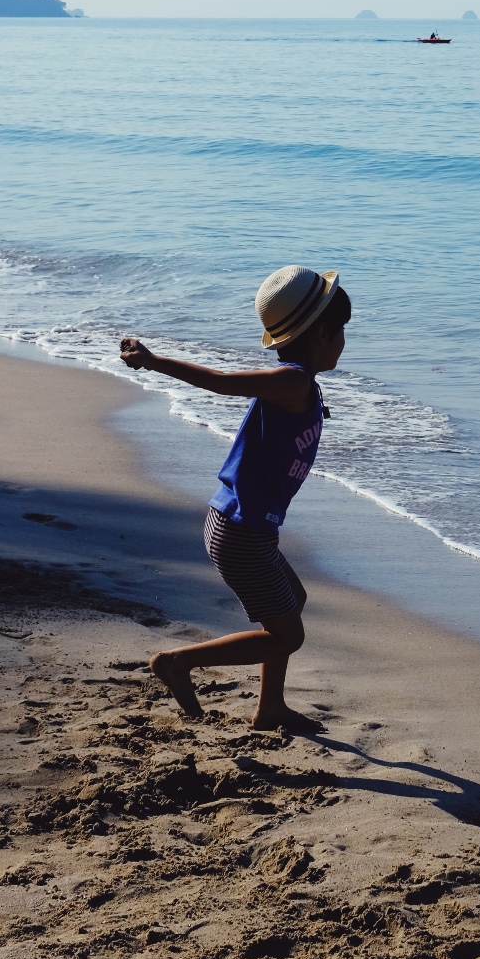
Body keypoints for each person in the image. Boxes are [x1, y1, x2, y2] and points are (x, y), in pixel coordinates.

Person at [119, 264, 351, 731]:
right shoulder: (293, 383)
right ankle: (179, 663)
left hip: (244, 525)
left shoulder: (299, 383)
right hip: (242, 532)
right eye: (341, 332)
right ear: (323, 334)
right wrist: (155, 361)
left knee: (294, 602)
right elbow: (222, 381)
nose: (344, 342)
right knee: (288, 636)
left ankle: (270, 708)